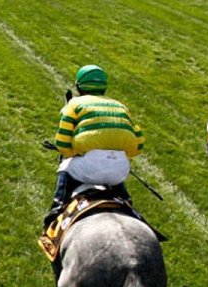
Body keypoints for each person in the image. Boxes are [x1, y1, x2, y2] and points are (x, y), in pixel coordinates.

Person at [44, 64, 144, 227]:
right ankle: (126, 201)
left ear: (78, 87)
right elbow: (138, 145)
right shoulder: (121, 107)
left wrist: (73, 153)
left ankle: (56, 209)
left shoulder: (74, 104)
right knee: (112, 175)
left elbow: (62, 143)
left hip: (89, 166)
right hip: (121, 169)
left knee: (65, 167)